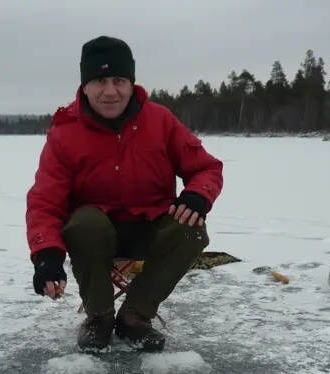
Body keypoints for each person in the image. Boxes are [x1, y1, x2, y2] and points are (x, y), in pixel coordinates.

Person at [25, 35, 224, 352]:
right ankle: (99, 318)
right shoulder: (65, 133)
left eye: (119, 80)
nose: (110, 91)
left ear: (131, 83)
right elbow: (45, 201)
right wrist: (46, 254)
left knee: (192, 229)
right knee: (85, 222)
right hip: (93, 238)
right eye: (100, 80)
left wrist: (198, 195)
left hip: (150, 228)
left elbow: (206, 168)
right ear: (85, 86)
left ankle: (135, 317)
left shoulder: (160, 121)